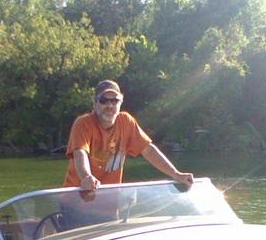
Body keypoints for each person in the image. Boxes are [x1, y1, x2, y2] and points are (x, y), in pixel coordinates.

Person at [63, 79, 194, 190]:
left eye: (114, 101)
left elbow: (148, 150)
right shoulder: (83, 123)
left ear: (120, 103)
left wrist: (176, 174)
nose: (109, 105)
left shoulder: (126, 121)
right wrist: (86, 177)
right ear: (95, 103)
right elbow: (80, 152)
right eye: (103, 100)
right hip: (78, 198)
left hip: (109, 202)